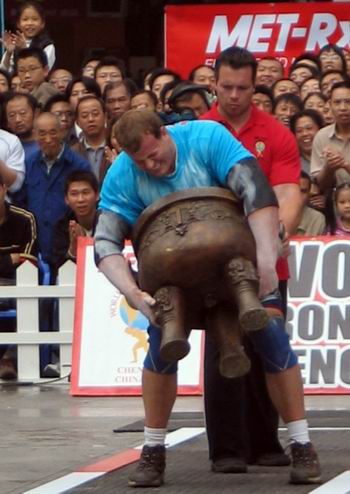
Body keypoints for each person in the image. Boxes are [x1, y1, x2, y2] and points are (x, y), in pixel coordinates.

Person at [94, 109, 321, 487]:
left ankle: (301, 443)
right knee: (161, 346)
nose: (151, 165)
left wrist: (266, 258)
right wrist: (133, 292)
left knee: (272, 338)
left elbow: (256, 191)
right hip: (170, 277)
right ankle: (153, 450)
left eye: (156, 155)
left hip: (237, 256)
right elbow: (105, 242)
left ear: (165, 134)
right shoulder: (123, 173)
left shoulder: (206, 138)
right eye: (142, 161)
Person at [200, 46, 305, 475]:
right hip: (213, 261)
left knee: (266, 345)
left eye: (243, 87)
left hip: (264, 260)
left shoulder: (276, 134)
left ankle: (266, 440)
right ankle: (226, 447)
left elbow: (287, 193)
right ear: (215, 83)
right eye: (226, 87)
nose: (234, 95)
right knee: (224, 344)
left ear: (255, 84)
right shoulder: (200, 131)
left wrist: (280, 235)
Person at [15, 112, 91, 264]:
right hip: (36, 246)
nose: (48, 139)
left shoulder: (78, 165)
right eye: (42, 134)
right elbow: (20, 203)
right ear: (35, 135)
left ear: (62, 132)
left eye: (53, 132)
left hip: (66, 244)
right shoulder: (29, 163)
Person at [0, 172, 38, 380]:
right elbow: (15, 259)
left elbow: (29, 260)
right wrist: (8, 260)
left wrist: (14, 261)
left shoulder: (25, 219)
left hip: (18, 282)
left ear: (4, 188)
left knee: (33, 299)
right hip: (8, 275)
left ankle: (9, 357)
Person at [51, 170, 99, 273]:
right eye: (74, 194)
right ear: (66, 199)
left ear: (97, 195)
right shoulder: (62, 227)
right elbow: (57, 268)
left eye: (85, 192)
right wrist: (73, 248)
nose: (80, 199)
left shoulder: (108, 222)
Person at [310, 81, 350, 191]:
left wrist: (345, 165)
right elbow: (322, 186)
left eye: (348, 102)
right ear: (330, 104)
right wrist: (329, 168)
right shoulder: (322, 136)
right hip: (334, 204)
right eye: (337, 102)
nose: (343, 108)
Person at [0, 0, 55, 73]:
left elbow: (42, 72)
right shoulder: (15, 43)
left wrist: (24, 50)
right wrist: (9, 53)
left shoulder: (47, 45)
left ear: (42, 23)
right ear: (18, 24)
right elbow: (3, 72)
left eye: (35, 19)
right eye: (25, 19)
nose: (30, 23)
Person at [72, 95, 109, 183]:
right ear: (77, 122)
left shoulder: (117, 147)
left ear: (105, 116)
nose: (91, 119)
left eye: (95, 114)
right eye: (84, 116)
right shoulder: (72, 153)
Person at [4, 92, 39, 161]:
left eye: (23, 113)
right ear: (7, 122)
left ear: (36, 114)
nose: (18, 120)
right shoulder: (5, 147)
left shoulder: (47, 143)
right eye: (12, 115)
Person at [290, 109, 324, 174]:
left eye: (309, 128)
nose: (305, 134)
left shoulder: (331, 156)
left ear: (320, 129)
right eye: (299, 131)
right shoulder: (292, 163)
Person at [296, 171, 326, 236]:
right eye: (294, 190)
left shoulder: (317, 219)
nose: (298, 195)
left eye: (303, 191)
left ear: (308, 194)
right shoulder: (272, 215)